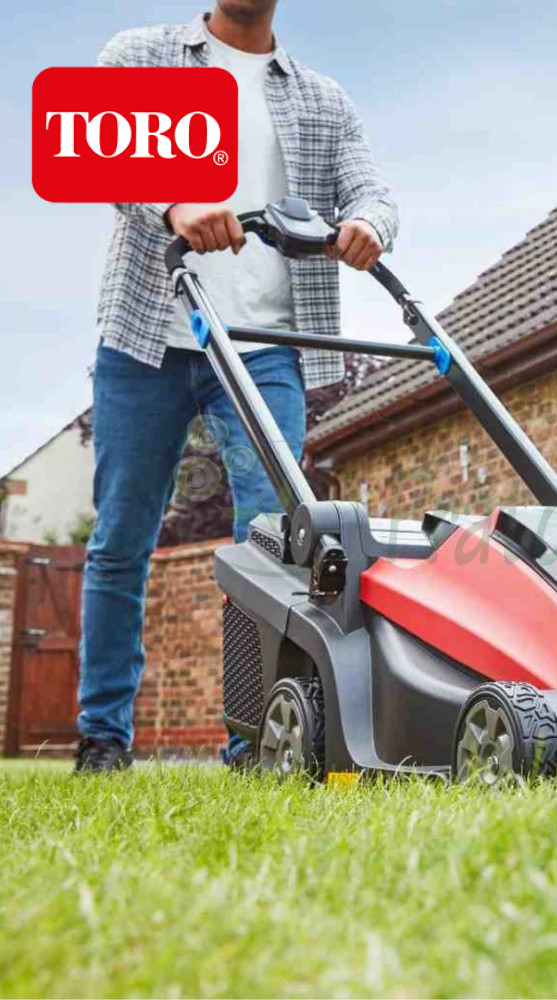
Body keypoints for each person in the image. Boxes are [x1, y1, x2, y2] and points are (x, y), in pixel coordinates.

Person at [76, 0, 398, 772]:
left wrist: (369, 227)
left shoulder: (322, 99)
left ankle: (256, 742)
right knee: (120, 540)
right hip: (147, 335)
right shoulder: (140, 56)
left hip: (263, 346)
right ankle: (102, 737)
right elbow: (100, 151)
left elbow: (373, 195)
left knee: (273, 547)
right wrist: (175, 205)